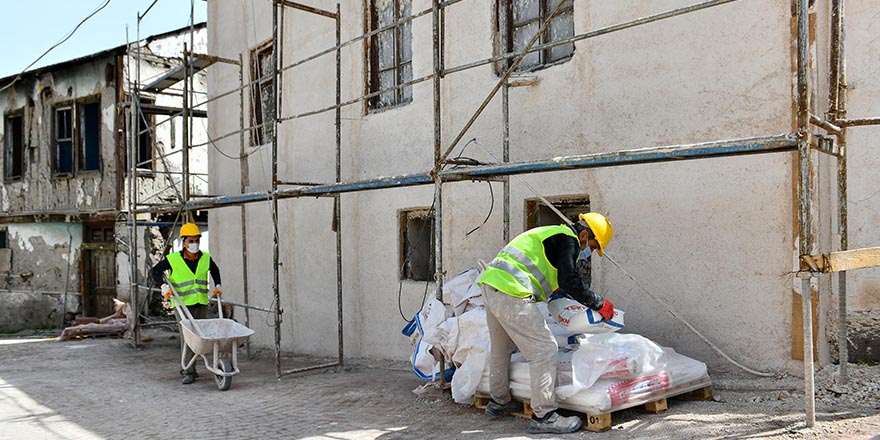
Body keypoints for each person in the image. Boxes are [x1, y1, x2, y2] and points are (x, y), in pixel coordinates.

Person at [477, 212, 615, 434]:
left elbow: (546, 269)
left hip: (491, 284)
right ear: (584, 234)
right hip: (512, 291)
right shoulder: (569, 240)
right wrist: (598, 303)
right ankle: (544, 416)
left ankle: (499, 401)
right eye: (593, 245)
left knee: (501, 348)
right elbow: (569, 279)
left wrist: (556, 290)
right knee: (545, 349)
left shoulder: (553, 234)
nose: (589, 252)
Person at [150, 222, 222, 385]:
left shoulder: (205, 258)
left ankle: (191, 367)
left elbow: (215, 270)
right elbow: (155, 271)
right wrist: (163, 286)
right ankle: (188, 371)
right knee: (188, 338)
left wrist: (217, 285)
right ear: (184, 242)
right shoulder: (173, 259)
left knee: (200, 337)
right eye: (191, 240)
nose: (194, 244)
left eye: (196, 240)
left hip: (200, 302)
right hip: (182, 304)